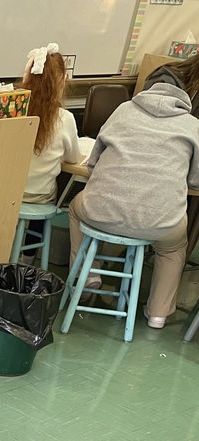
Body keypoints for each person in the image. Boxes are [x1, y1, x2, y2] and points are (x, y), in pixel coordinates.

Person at [67, 83, 199, 328]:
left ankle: (88, 274)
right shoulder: (193, 125)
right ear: (185, 101)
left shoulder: (123, 110)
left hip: (101, 212)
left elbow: (93, 162)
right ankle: (158, 314)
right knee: (172, 248)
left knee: (76, 209)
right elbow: (195, 180)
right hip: (159, 221)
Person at [18, 43, 80, 204]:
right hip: (40, 197)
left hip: (9, 192)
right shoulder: (65, 118)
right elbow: (73, 159)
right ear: (63, 81)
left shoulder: (14, 112)